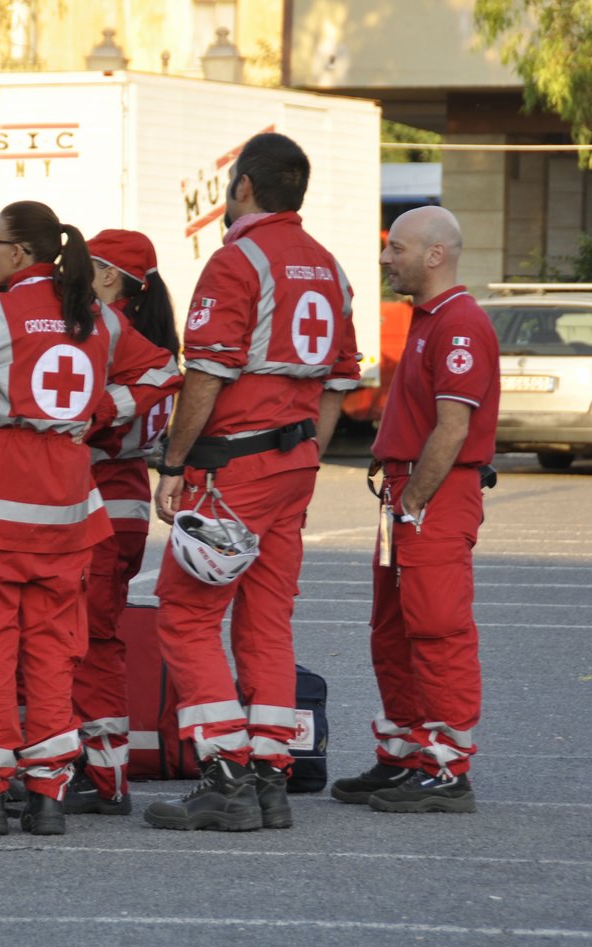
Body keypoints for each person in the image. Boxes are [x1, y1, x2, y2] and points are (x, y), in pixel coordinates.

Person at [0, 200, 173, 837]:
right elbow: (163, 368)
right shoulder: (94, 315)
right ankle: (48, 796)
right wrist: (100, 411)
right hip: (67, 507)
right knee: (53, 655)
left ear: (17, 253)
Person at [143, 132, 361, 833]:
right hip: (294, 463)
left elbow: (206, 373)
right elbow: (341, 382)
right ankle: (270, 774)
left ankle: (225, 776)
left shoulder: (237, 262)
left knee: (187, 612)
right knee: (267, 620)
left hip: (234, 464)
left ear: (242, 188)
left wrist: (174, 463)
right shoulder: (329, 268)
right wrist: (306, 454)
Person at [331, 205, 498, 814]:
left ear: (434, 254)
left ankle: (448, 770)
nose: (384, 258)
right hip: (410, 491)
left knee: (437, 630)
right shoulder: (429, 319)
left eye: (396, 248)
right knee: (393, 632)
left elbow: (453, 429)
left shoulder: (459, 324)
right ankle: (403, 756)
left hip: (434, 493)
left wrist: (416, 501)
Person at [65, 229, 181, 816]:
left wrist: (95, 413)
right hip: (127, 500)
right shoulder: (153, 338)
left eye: (82, 265)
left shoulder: (109, 337)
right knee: (96, 637)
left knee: (86, 642)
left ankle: (102, 771)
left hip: (98, 499)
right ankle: (100, 765)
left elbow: (88, 418)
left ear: (107, 275)